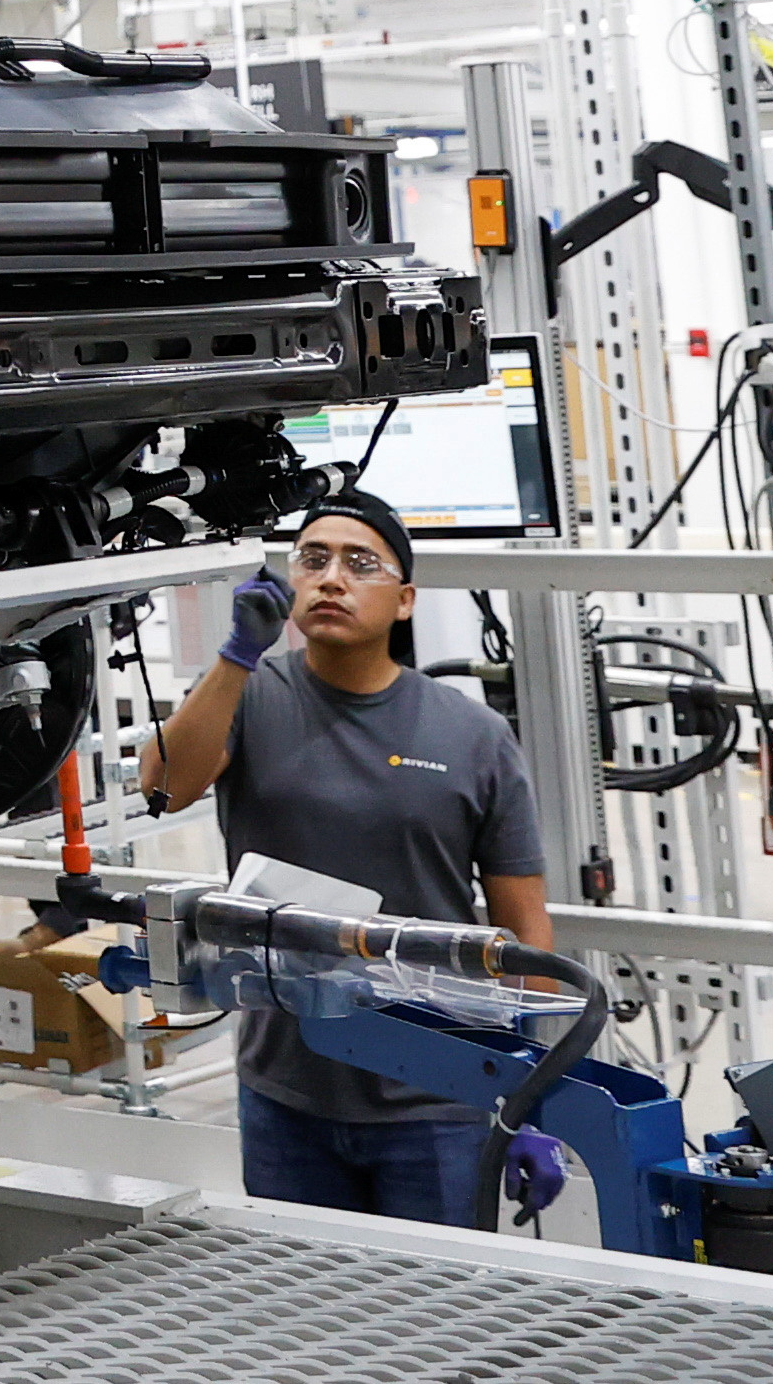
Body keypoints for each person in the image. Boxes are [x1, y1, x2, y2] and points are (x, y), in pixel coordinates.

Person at [140, 489, 553, 1228]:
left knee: (442, 1318)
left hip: (437, 1092)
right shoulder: (249, 696)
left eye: (359, 563)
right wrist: (236, 654)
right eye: (312, 559)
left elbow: (522, 930)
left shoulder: (472, 733)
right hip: (285, 1086)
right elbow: (164, 787)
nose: (330, 577)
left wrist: (533, 1092)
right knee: (312, 1320)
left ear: (404, 599)